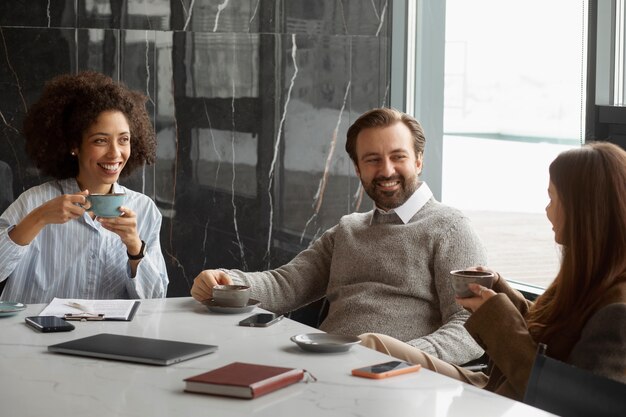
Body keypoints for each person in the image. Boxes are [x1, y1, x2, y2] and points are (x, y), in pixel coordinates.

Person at [192, 107, 487, 365]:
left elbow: (473, 325)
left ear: (418, 161)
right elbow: (287, 284)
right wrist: (226, 281)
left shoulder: (451, 228)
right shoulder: (348, 230)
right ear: (358, 169)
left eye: (398, 157)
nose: (386, 170)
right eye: (372, 160)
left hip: (396, 379)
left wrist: (399, 356)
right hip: (325, 364)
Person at [359, 142, 626, 400]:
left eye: (552, 198)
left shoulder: (617, 314)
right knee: (373, 344)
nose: (547, 210)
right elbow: (553, 337)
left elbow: (566, 400)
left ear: (583, 211)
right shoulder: (592, 276)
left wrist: (497, 318)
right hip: (493, 385)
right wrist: (501, 293)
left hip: (510, 401)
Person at [0, 71, 168, 303]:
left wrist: (134, 247)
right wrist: (38, 218)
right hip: (33, 335)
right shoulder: (35, 201)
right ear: (74, 145)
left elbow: (156, 301)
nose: (115, 153)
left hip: (108, 337)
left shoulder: (144, 209)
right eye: (100, 140)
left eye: (124, 139)